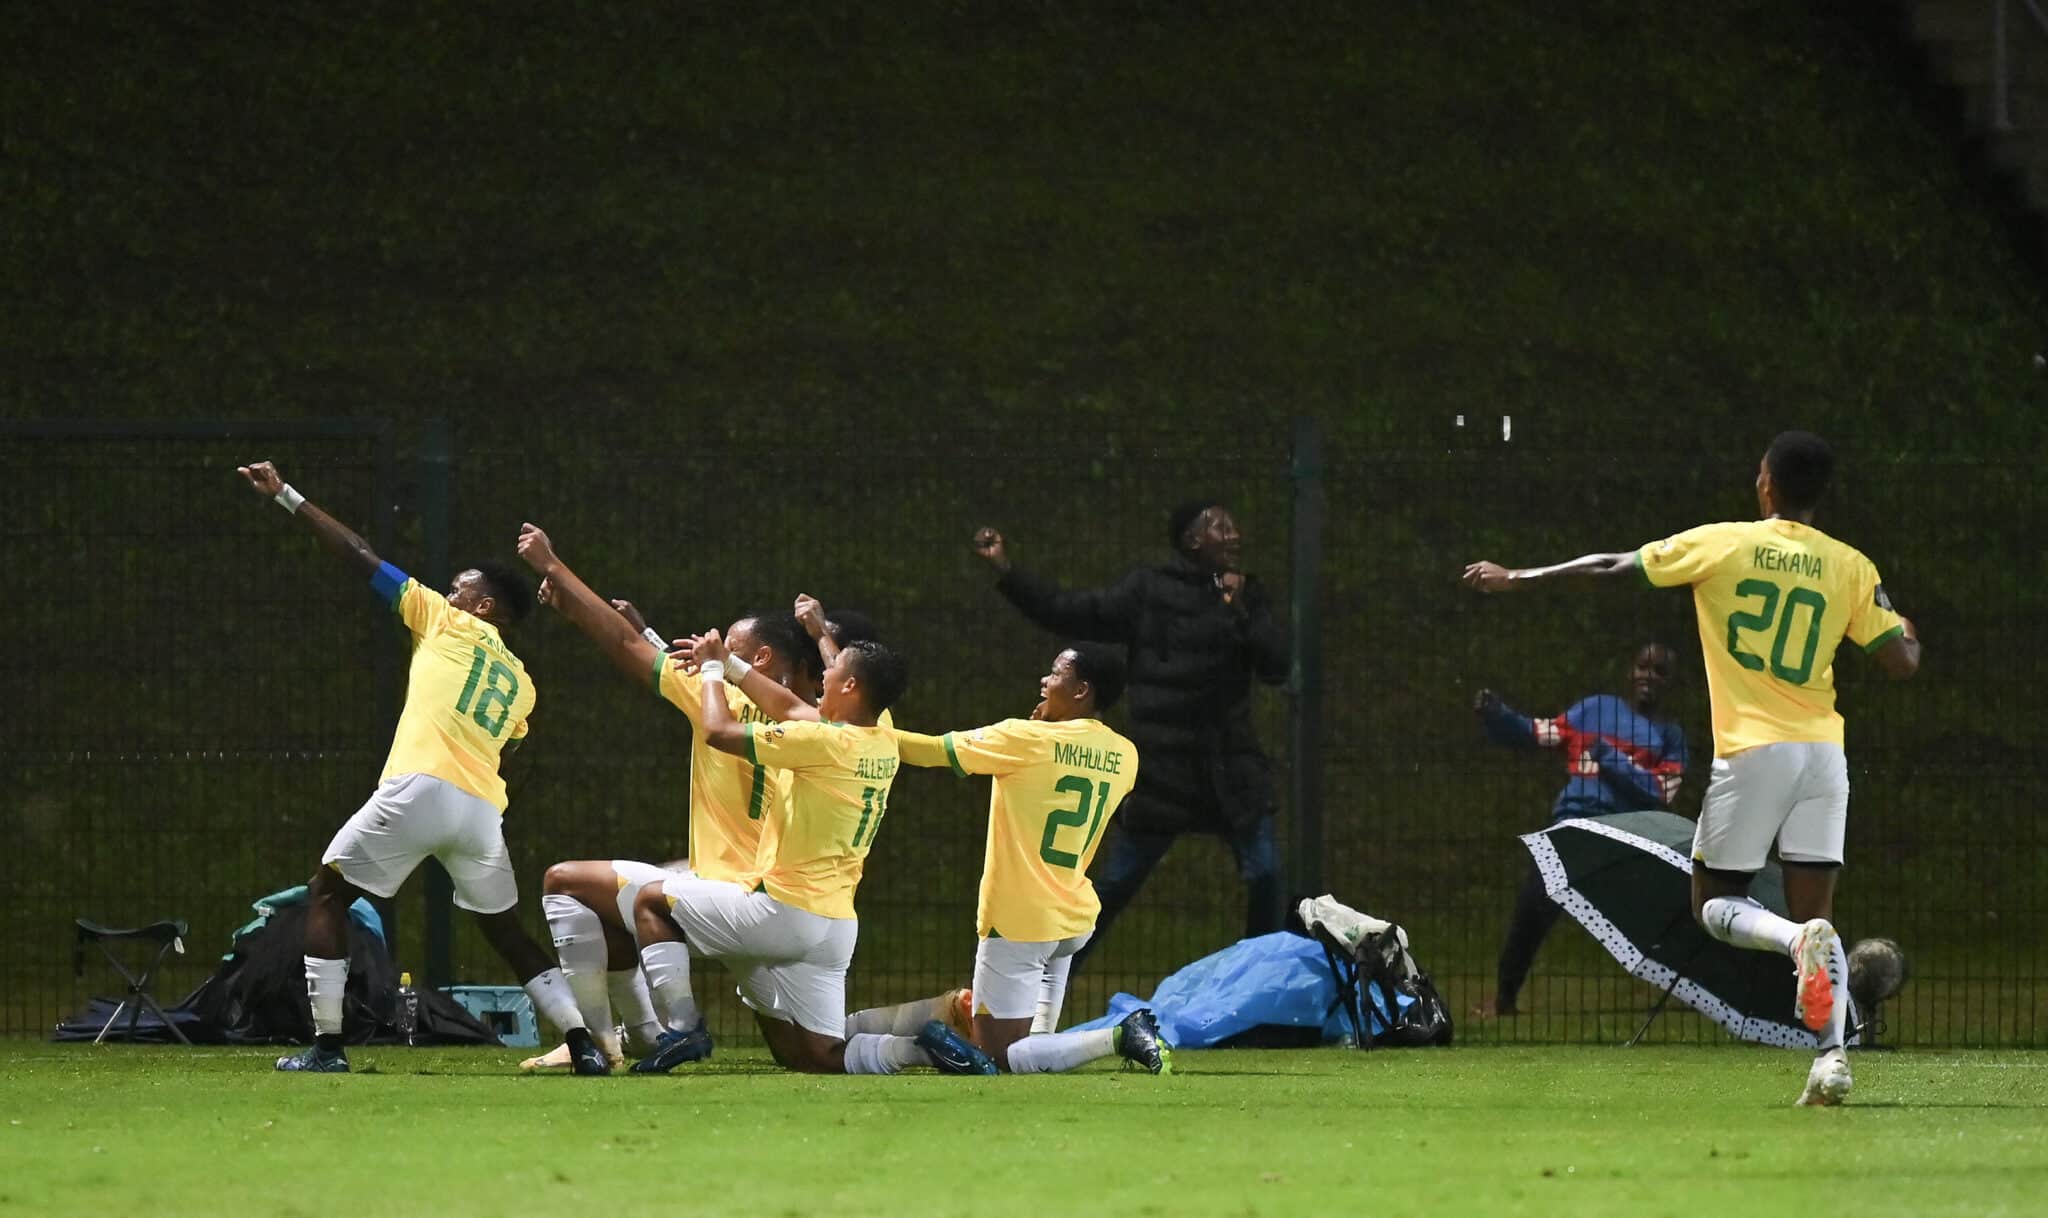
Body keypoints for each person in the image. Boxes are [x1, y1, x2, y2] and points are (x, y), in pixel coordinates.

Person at [1462, 431, 1920, 1106]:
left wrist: (1519, 576)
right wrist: (1901, 622)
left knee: (1712, 904)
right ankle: (1829, 1060)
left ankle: (1796, 944)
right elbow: (1901, 659)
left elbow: (1611, 565)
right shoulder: (1850, 565)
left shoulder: (1725, 543)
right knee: (1816, 909)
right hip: (1824, 756)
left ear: (1766, 484)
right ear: (1821, 495)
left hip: (1753, 752)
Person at [234, 462, 595, 1075]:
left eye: (458, 589)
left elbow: (360, 555)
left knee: (327, 894)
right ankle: (583, 1042)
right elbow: (508, 750)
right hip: (480, 809)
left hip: (420, 787)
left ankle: (327, 1048)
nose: (447, 593)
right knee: (506, 931)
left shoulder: (442, 618)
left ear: (481, 606)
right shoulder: (524, 683)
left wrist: (289, 497)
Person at [628, 625, 992, 1075]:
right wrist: (733, 665)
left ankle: (681, 1029)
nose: (822, 677)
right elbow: (789, 706)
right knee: (816, 1057)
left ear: (851, 686)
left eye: (831, 670)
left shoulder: (822, 742)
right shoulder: (882, 738)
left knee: (650, 901)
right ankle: (922, 1050)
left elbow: (719, 732)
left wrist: (710, 672)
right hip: (835, 925)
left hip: (784, 912)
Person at [972, 500, 1287, 963]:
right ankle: (1044, 983)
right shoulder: (1150, 590)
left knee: (1266, 876)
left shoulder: (1245, 596)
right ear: (1192, 539)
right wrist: (1006, 571)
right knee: (1113, 888)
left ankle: (1255, 989)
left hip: (1230, 772)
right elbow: (1071, 611)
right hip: (1164, 776)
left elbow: (1277, 666)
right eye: (1221, 526)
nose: (1235, 534)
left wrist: (1242, 611)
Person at [520, 592, 814, 1072]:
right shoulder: (819, 725)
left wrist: (555, 573)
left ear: (759, 656)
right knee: (809, 1052)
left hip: (729, 894)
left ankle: (626, 1037)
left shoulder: (720, 700)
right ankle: (623, 1036)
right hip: (797, 907)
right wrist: (653, 637)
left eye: (726, 645)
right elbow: (689, 677)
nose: (711, 651)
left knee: (568, 883)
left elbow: (637, 654)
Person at [850, 644, 1172, 1074]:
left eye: (1056, 673)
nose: (1045, 680)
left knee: (997, 1057)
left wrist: (853, 731)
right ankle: (885, 1024)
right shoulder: (1126, 754)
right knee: (1034, 1050)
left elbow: (930, 750)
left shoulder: (1025, 737)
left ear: (1081, 691)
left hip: (1020, 917)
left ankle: (1118, 1035)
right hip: (1071, 917)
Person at [1473, 643, 1688, 1016]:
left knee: (1664, 914)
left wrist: (1609, 758)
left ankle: (1693, 994)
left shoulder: (1671, 736)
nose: (1648, 676)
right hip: (1571, 829)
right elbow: (1538, 733)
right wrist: (1498, 714)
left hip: (1625, 836)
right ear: (1629, 671)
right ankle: (1504, 1001)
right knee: (1531, 909)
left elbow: (1661, 791)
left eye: (1659, 671)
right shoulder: (1595, 709)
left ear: (1670, 683)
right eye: (1642, 667)